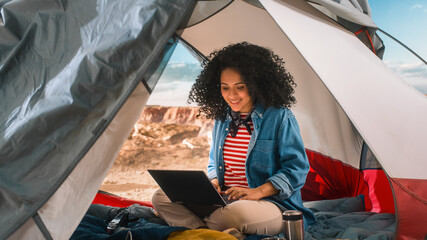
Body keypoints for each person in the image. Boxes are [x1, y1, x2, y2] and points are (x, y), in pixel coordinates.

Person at [151, 42, 315, 238]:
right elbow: (213, 162)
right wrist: (212, 181)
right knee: (160, 197)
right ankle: (211, 233)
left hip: (271, 205)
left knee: (231, 216)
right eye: (225, 88)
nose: (232, 95)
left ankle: (197, 230)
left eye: (240, 87)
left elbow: (297, 170)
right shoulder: (222, 118)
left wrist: (257, 192)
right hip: (225, 200)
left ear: (256, 85)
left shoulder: (280, 117)